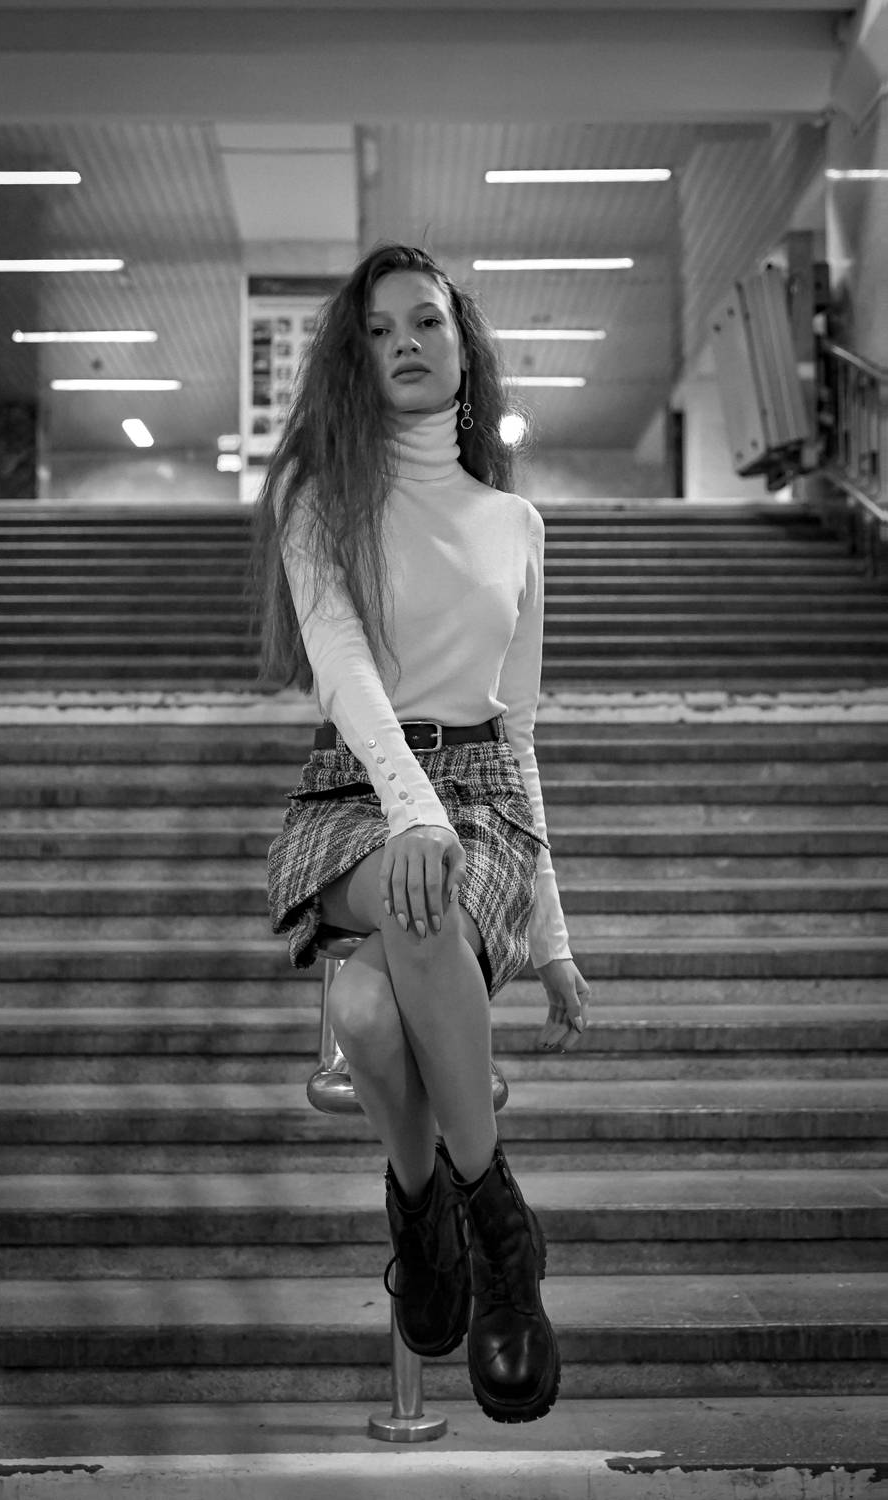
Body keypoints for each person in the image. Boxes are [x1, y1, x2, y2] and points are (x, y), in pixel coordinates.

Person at [252, 243, 590, 1424]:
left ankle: (421, 1211)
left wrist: (552, 936)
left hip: (484, 798)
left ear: (463, 344)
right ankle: (501, 1226)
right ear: (357, 356)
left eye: (427, 321)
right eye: (380, 328)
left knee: (360, 1010)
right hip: (358, 788)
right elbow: (342, 668)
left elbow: (521, 730)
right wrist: (409, 808)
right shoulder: (318, 498)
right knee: (417, 885)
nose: (404, 341)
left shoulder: (516, 521)